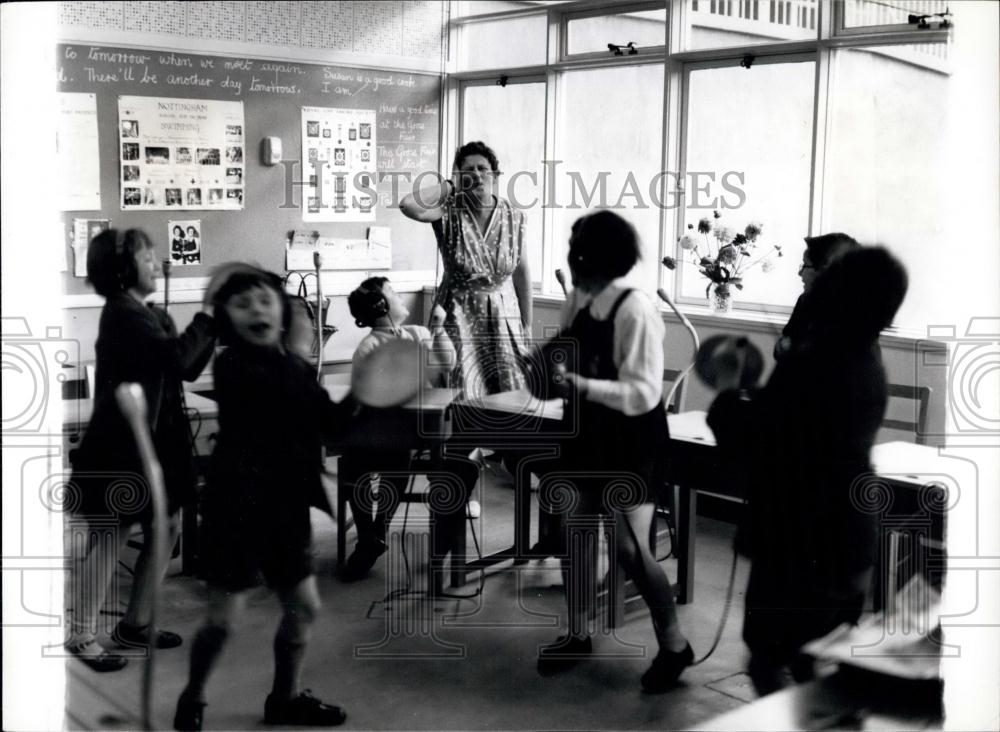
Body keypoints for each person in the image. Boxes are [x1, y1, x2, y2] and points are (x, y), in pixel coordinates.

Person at [705, 246, 908, 695]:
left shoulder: (819, 359)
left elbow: (760, 437)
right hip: (846, 536)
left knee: (778, 665)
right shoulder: (863, 354)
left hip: (799, 537)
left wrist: (726, 397)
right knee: (814, 667)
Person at [173, 268, 351, 731]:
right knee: (224, 620)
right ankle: (192, 697)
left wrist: (363, 400)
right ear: (228, 320)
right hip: (236, 510)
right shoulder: (234, 366)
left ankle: (285, 700)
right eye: (243, 303)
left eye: (266, 300)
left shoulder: (291, 365)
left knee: (303, 606)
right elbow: (295, 408)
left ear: (281, 309)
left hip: (285, 509)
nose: (257, 309)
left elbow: (328, 423)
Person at [531, 211, 693, 692]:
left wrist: (577, 382)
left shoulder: (635, 308)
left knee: (629, 549)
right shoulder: (579, 300)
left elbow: (643, 393)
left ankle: (674, 645)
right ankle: (578, 633)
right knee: (576, 535)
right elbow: (566, 355)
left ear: (601, 256)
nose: (571, 257)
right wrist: (546, 374)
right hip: (584, 432)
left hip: (631, 441)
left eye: (579, 248)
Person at [64, 229, 230, 672]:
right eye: (147, 258)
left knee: (167, 524)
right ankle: (81, 633)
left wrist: (196, 327)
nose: (157, 264)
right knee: (110, 535)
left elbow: (188, 368)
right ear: (122, 270)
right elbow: (176, 358)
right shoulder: (122, 313)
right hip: (117, 447)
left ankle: (134, 624)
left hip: (151, 442)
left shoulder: (142, 312)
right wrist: (207, 318)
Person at [338, 277, 479, 584]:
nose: (401, 297)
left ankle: (376, 532)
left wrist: (439, 329)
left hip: (420, 431)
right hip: (386, 432)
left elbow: (447, 362)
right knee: (356, 460)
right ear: (380, 306)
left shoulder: (419, 333)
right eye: (394, 293)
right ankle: (369, 537)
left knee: (396, 457)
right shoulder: (369, 346)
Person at [400, 141, 531, 398]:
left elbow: (522, 274)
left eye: (483, 168)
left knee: (506, 396)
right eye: (468, 170)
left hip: (504, 319)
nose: (477, 174)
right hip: (457, 316)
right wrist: (449, 185)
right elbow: (408, 205)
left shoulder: (514, 216)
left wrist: (526, 324)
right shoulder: (447, 211)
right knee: (459, 392)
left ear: (495, 175)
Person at [775, 232, 858, 358]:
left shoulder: (853, 316)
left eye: (805, 265)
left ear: (825, 270)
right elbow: (783, 342)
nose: (800, 272)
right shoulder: (804, 301)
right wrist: (783, 346)